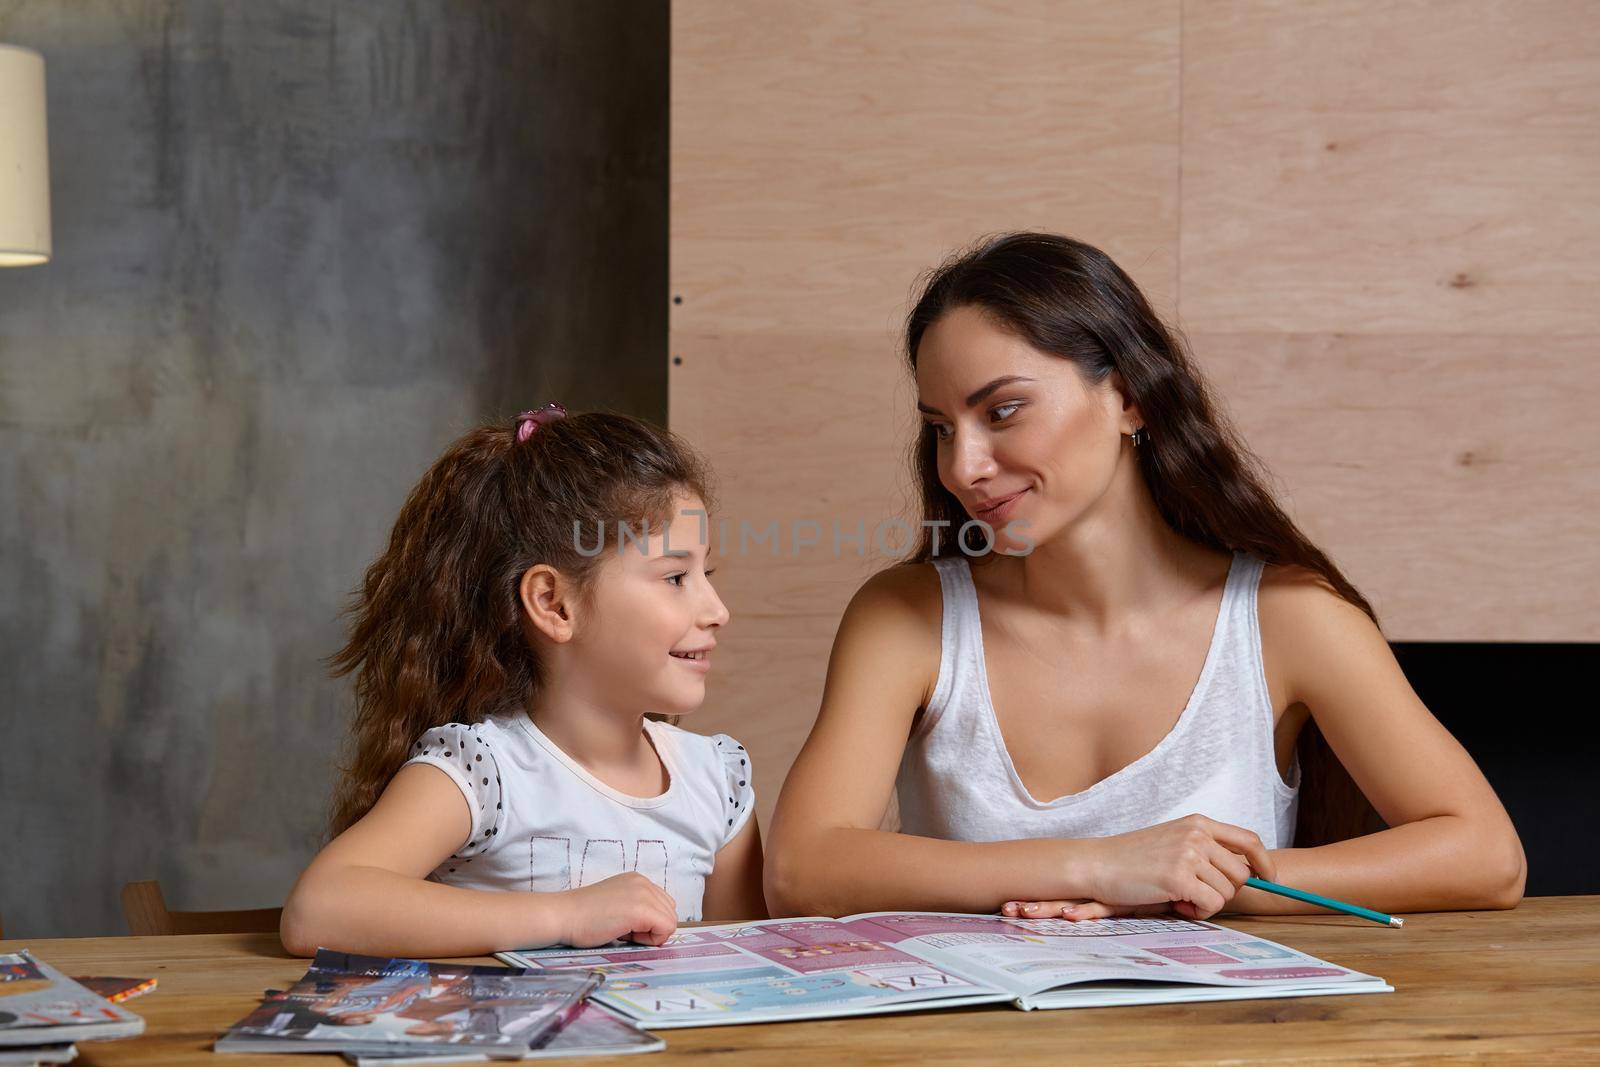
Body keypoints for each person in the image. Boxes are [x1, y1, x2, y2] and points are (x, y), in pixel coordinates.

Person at [766, 233, 1525, 922]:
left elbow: (1488, 858)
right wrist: (1099, 865)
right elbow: (803, 868)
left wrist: (1229, 883)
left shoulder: (1289, 617)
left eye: (1002, 411)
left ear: (1128, 395)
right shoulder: (906, 617)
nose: (962, 466)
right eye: (941, 428)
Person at [280, 406, 764, 958]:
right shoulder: (485, 772)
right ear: (554, 603)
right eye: (676, 577)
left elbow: (744, 963)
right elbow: (318, 911)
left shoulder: (718, 785)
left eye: (708, 575)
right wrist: (566, 915)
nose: (717, 609)